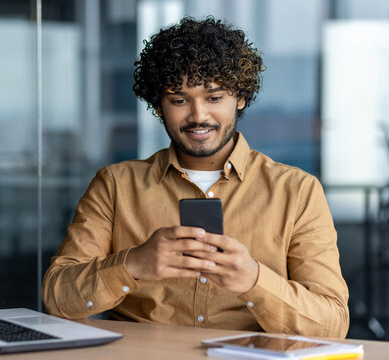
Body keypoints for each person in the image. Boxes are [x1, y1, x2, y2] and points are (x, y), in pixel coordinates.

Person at [42, 16, 349, 338]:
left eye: (214, 98)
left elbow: (332, 325)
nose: (198, 115)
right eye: (179, 100)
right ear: (158, 107)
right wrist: (132, 264)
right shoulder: (115, 185)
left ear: (240, 98)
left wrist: (254, 280)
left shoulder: (297, 191)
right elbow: (57, 298)